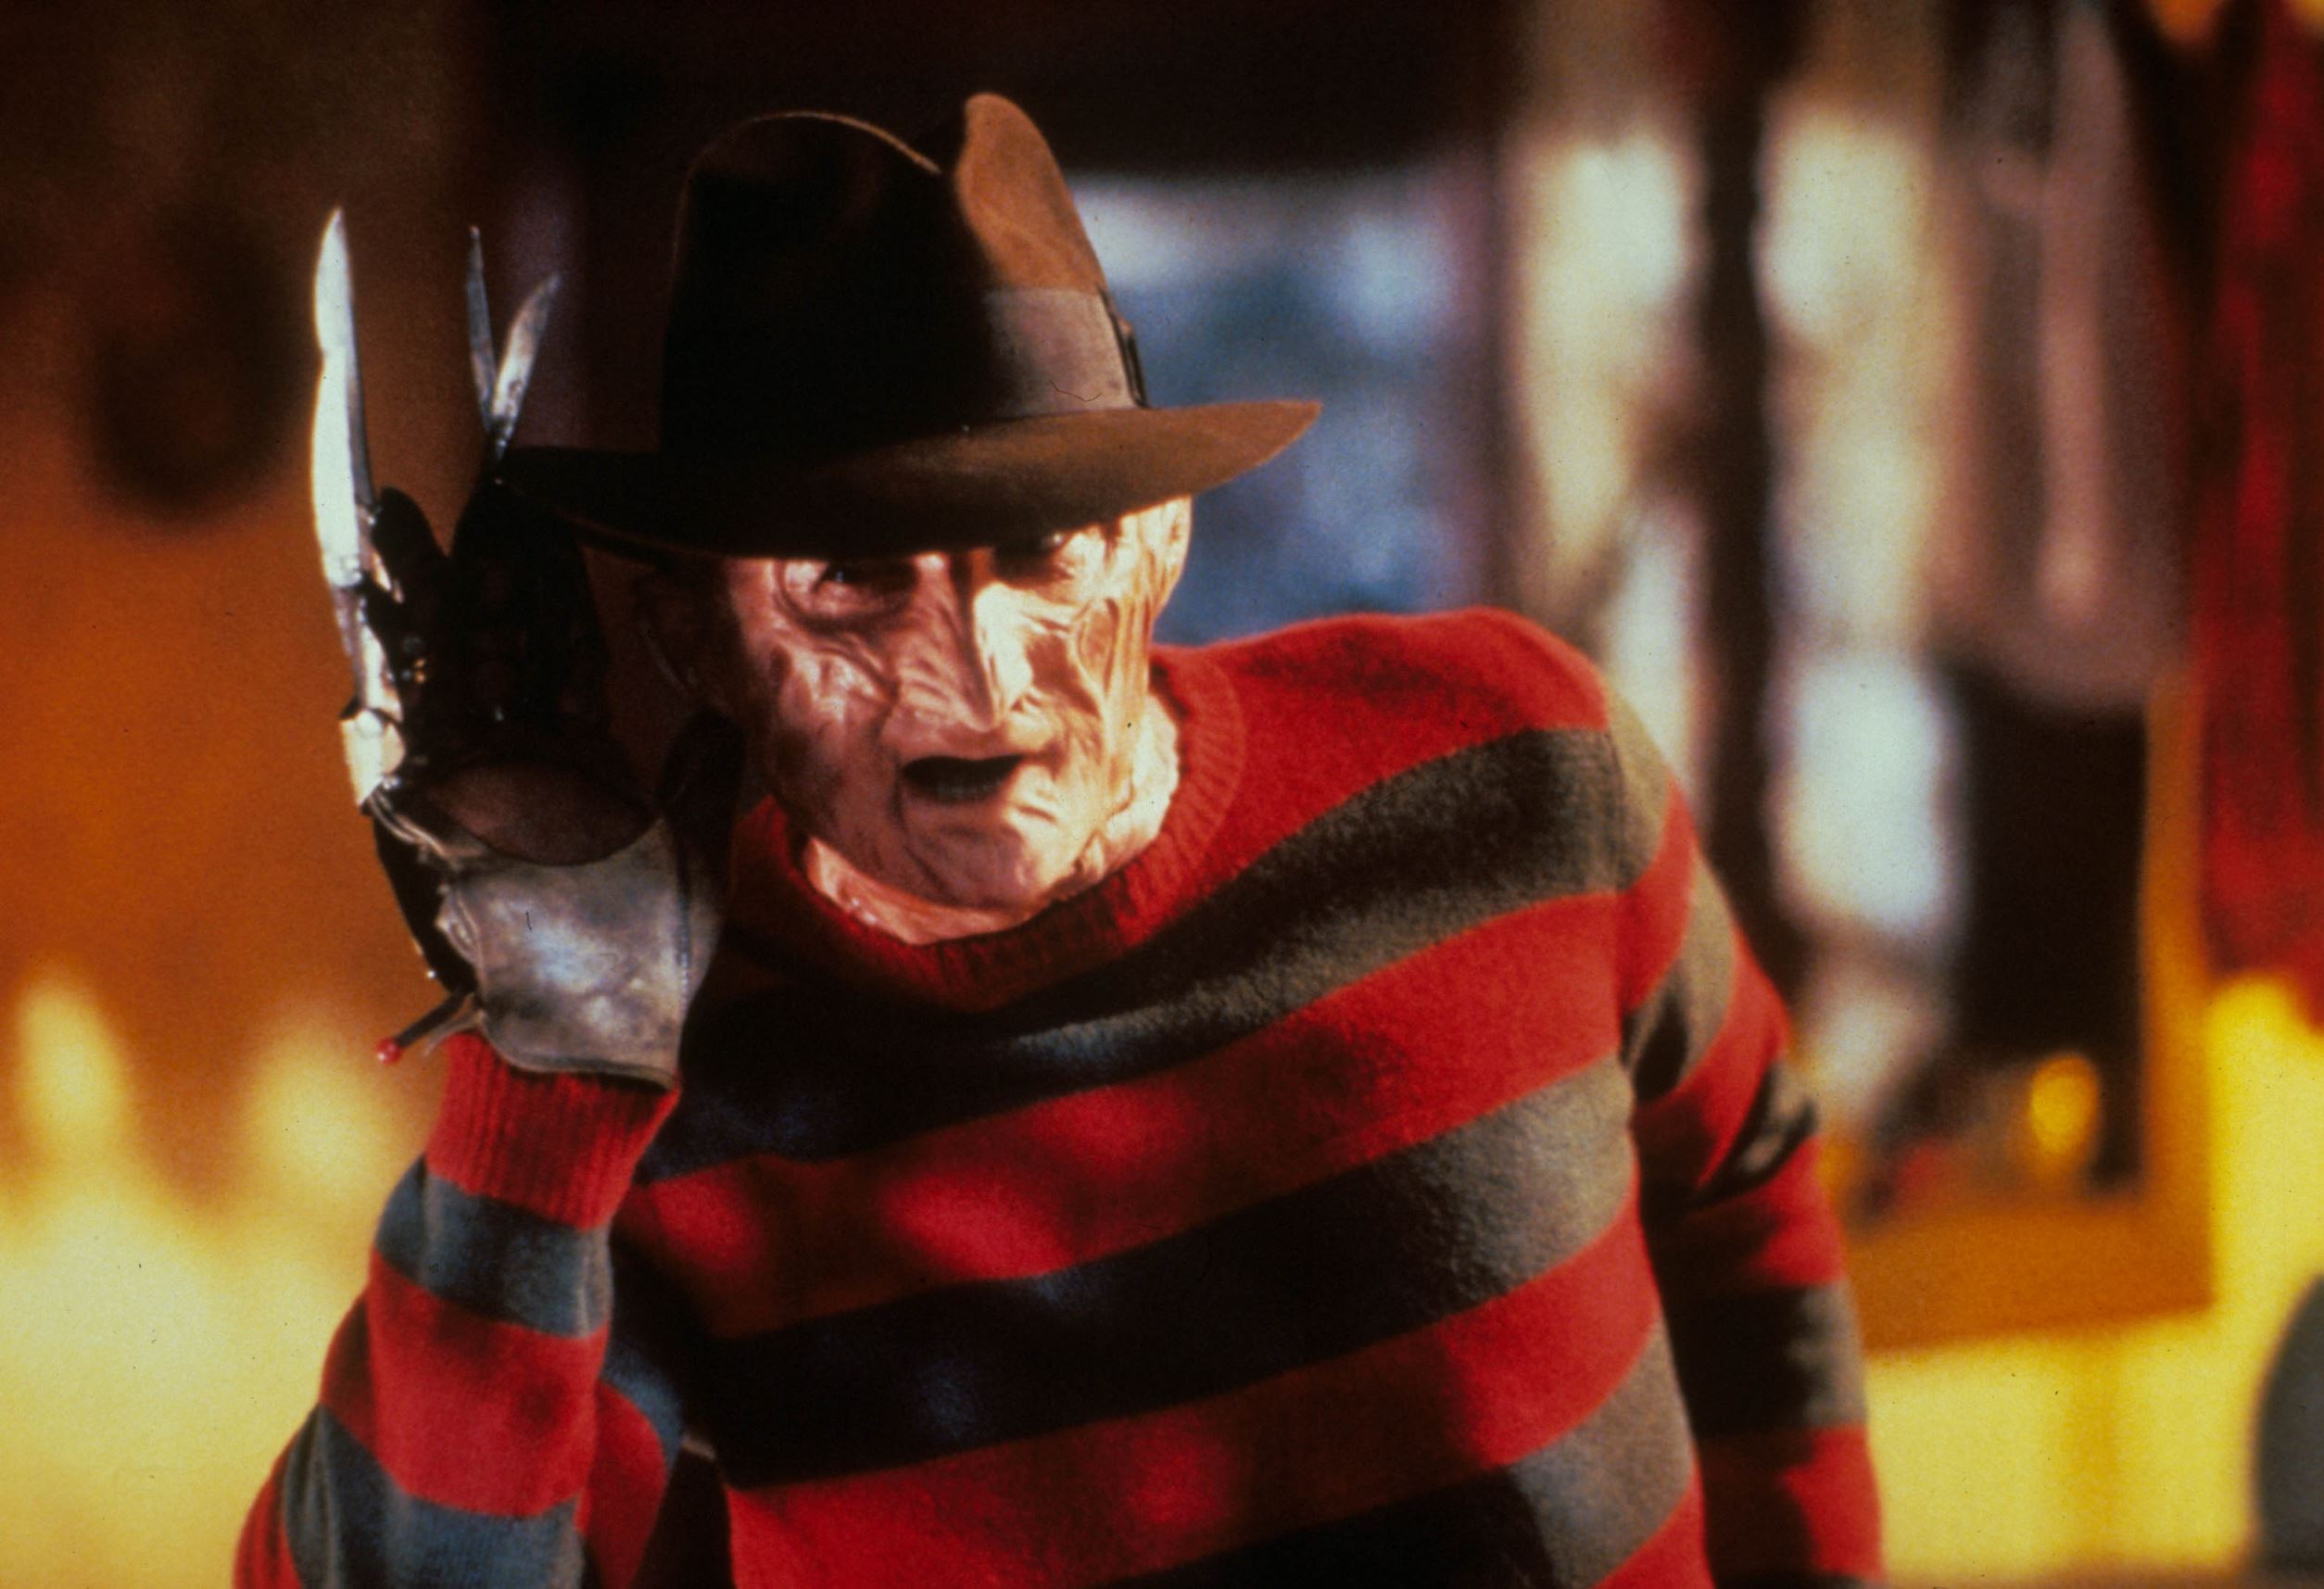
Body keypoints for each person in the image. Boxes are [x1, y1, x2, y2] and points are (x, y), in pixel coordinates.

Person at [237, 94, 1883, 1589]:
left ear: (1160, 539)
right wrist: (547, 1073)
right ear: (696, 641)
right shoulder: (669, 1093)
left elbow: (1744, 1185)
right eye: (849, 585)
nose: (976, 673)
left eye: (1037, 552)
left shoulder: (1518, 762)